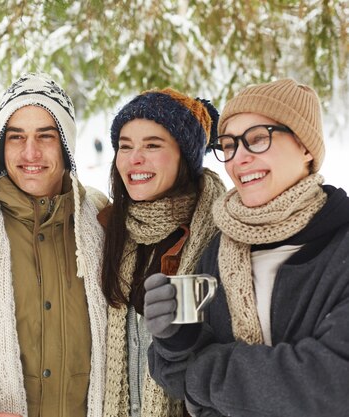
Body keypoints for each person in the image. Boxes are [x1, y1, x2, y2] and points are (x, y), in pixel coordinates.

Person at [145, 79, 349, 416]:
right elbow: (169, 372)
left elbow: (330, 384)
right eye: (228, 145)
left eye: (257, 139)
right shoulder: (219, 249)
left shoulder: (339, 246)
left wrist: (202, 372)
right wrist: (175, 338)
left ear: (306, 147)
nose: (239, 159)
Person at [0, 73, 108, 417]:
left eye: (46, 136)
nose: (31, 152)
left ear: (67, 146)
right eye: (16, 137)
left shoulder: (101, 226)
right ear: (0, 146)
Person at [99, 88, 226, 417]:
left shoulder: (221, 236)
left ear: (185, 156)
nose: (134, 158)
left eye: (152, 145)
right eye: (125, 146)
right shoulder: (110, 230)